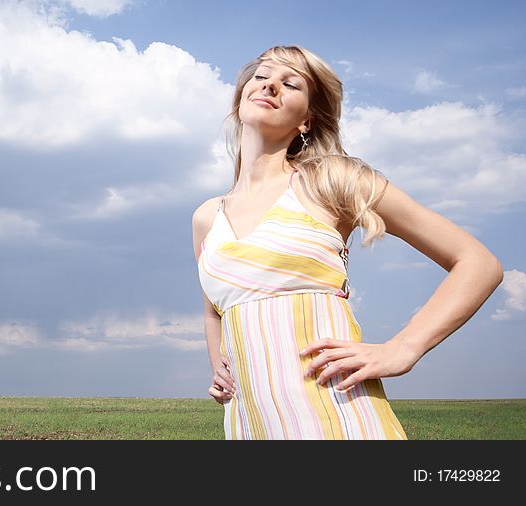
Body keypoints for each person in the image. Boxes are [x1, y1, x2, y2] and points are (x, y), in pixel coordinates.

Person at [192, 45, 504, 439]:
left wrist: (403, 348)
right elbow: (214, 311)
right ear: (241, 95)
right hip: (251, 424)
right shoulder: (207, 217)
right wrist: (217, 362)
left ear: (306, 120)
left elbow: (477, 263)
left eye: (290, 83)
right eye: (261, 76)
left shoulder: (331, 180)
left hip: (338, 417)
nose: (270, 85)